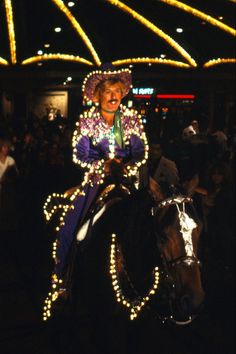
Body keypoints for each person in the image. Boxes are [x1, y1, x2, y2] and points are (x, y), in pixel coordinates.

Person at [43, 63, 149, 321]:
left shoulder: (131, 119)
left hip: (127, 181)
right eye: (108, 91)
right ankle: (62, 282)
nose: (113, 96)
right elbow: (79, 155)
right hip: (96, 181)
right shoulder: (87, 120)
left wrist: (126, 166)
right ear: (98, 95)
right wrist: (103, 165)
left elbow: (140, 151)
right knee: (71, 226)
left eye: (117, 90)